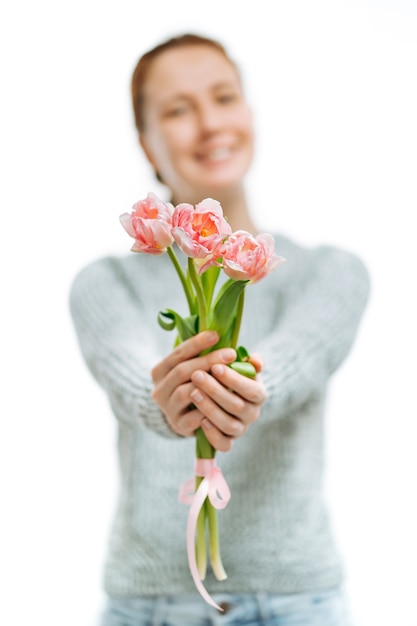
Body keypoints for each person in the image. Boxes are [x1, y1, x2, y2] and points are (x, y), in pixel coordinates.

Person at [69, 33, 370, 626]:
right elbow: (132, 375)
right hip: (148, 605)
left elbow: (296, 361)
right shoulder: (103, 283)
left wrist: (248, 387)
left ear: (249, 114)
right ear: (146, 143)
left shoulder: (330, 273)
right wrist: (165, 402)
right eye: (178, 110)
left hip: (297, 601)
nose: (209, 123)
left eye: (224, 97)